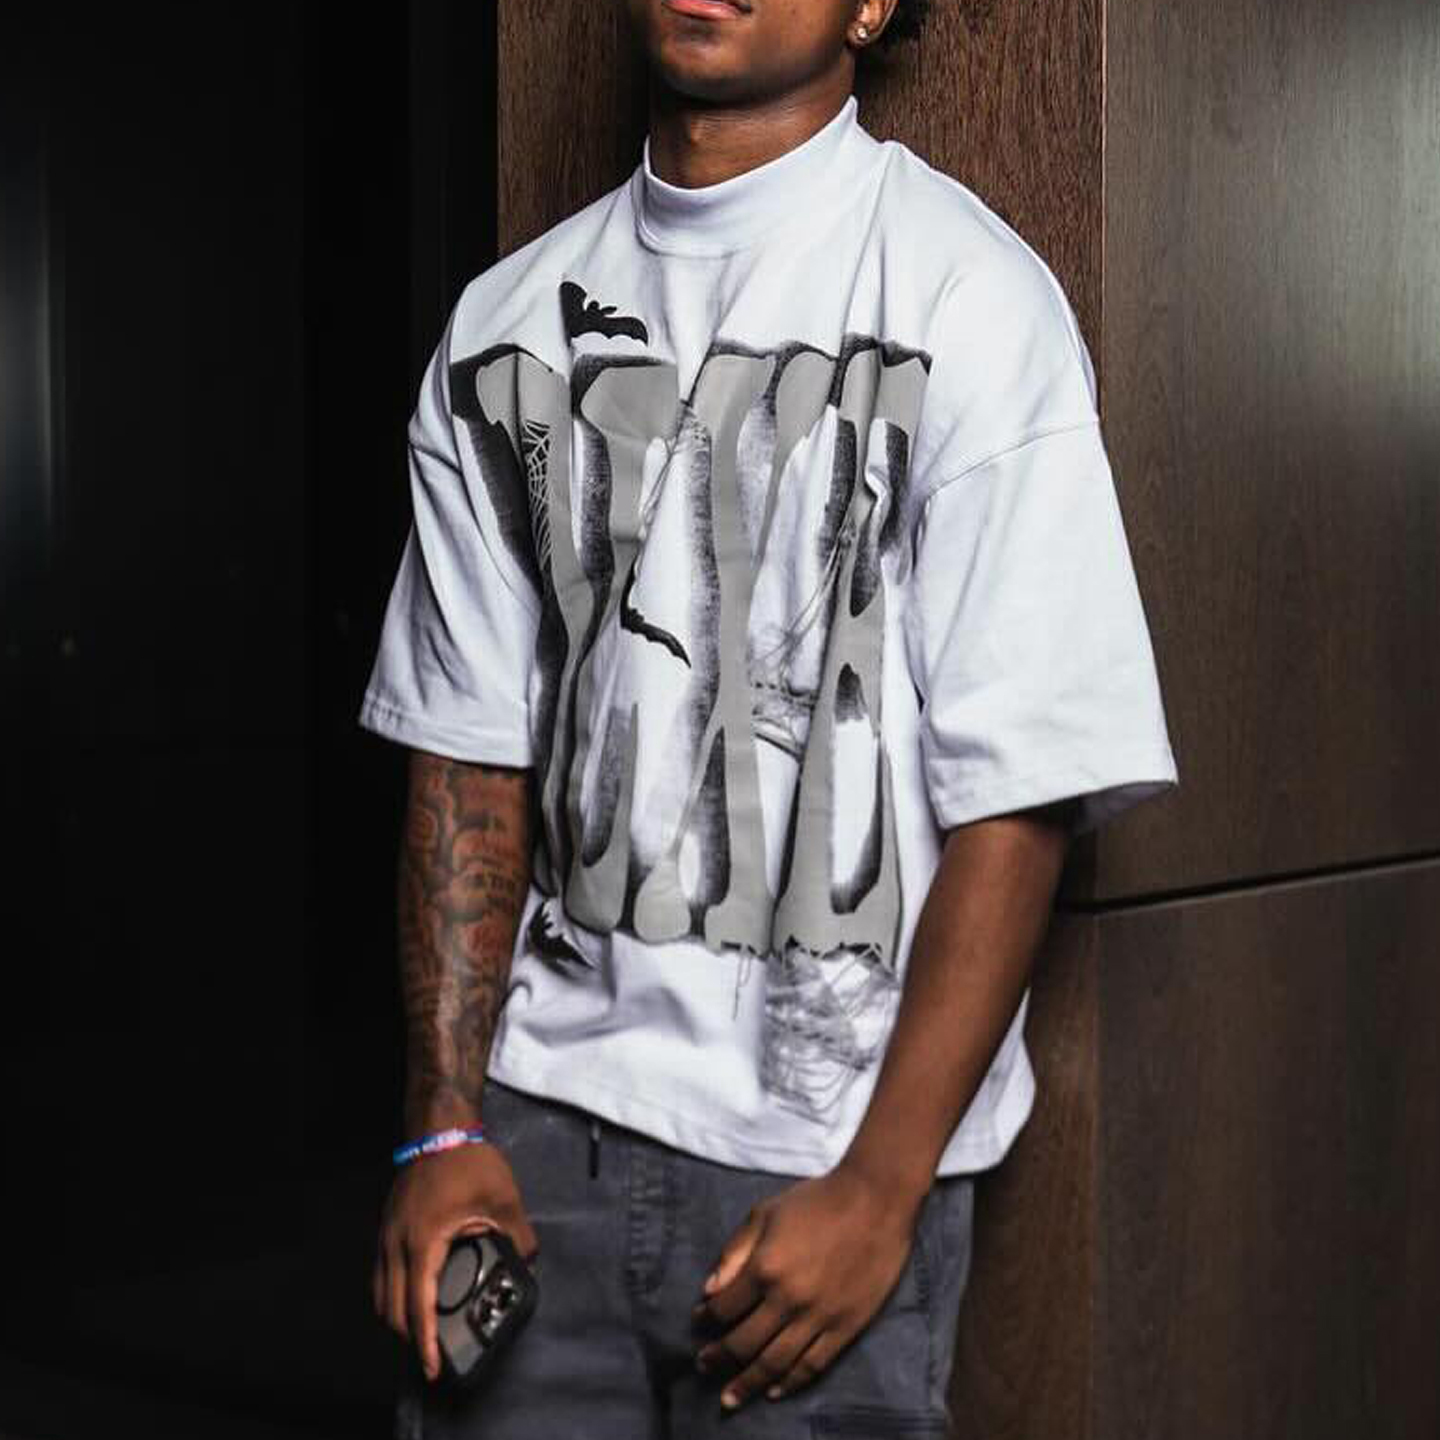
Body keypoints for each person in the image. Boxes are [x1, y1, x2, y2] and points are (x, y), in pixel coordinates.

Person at [360, 0, 1179, 1434]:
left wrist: (880, 1188)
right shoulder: (504, 327)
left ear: (872, 8)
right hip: (536, 1147)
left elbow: (1023, 792)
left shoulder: (968, 299)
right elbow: (465, 751)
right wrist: (442, 1126)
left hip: (825, 1167)